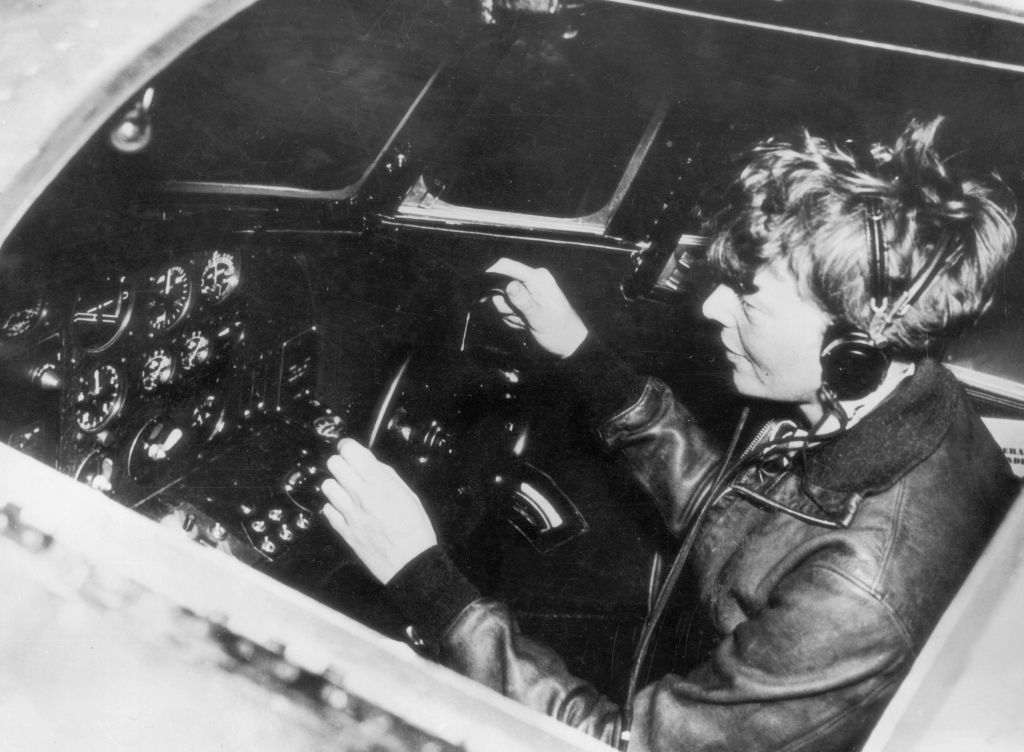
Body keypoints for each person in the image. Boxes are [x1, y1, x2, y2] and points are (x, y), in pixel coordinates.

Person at [319, 117, 1019, 751]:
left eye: (748, 293)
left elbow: (622, 747)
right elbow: (740, 521)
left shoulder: (859, 593)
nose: (714, 305)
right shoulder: (900, 401)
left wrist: (427, 583)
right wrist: (583, 358)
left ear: (855, 346)